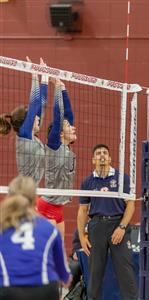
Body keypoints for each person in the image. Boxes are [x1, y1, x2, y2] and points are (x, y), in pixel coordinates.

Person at [76, 144, 137, 300]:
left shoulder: (122, 177)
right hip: (97, 227)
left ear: (110, 158)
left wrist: (122, 227)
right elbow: (83, 211)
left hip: (118, 225)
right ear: (93, 159)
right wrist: (82, 237)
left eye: (105, 153)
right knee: (95, 273)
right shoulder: (87, 182)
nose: (102, 155)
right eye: (98, 153)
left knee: (125, 271)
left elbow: (131, 204)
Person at [0, 176, 71, 300]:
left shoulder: (2, 227)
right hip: (44, 290)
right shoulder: (49, 229)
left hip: (9, 290)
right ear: (35, 199)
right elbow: (64, 275)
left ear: (10, 197)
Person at [37, 78, 77, 238]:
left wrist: (63, 88)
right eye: (68, 126)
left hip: (59, 207)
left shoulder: (67, 147)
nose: (73, 127)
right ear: (59, 133)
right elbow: (59, 115)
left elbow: (69, 116)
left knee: (58, 250)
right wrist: (57, 91)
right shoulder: (54, 146)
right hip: (47, 206)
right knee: (47, 249)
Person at [0, 57, 48, 183]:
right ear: (26, 122)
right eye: (33, 117)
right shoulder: (24, 136)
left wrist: (45, 76)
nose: (38, 117)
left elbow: (41, 104)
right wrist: (34, 74)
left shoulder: (32, 133)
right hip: (23, 191)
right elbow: (35, 104)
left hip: (32, 190)